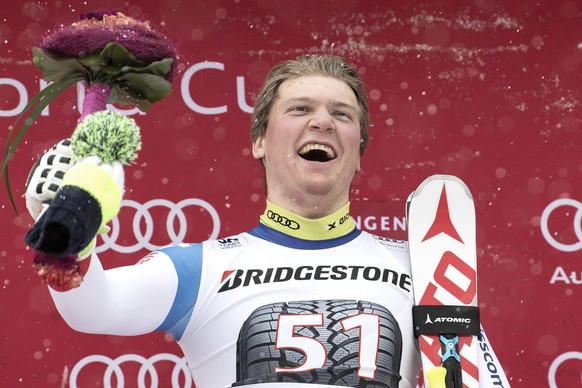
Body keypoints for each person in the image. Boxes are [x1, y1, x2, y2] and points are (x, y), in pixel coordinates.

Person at [25, 54, 508, 387]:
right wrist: (66, 228)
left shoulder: (423, 268)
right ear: (260, 141)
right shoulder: (200, 269)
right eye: (300, 109)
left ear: (358, 153)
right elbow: (94, 309)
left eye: (341, 114)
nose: (322, 122)